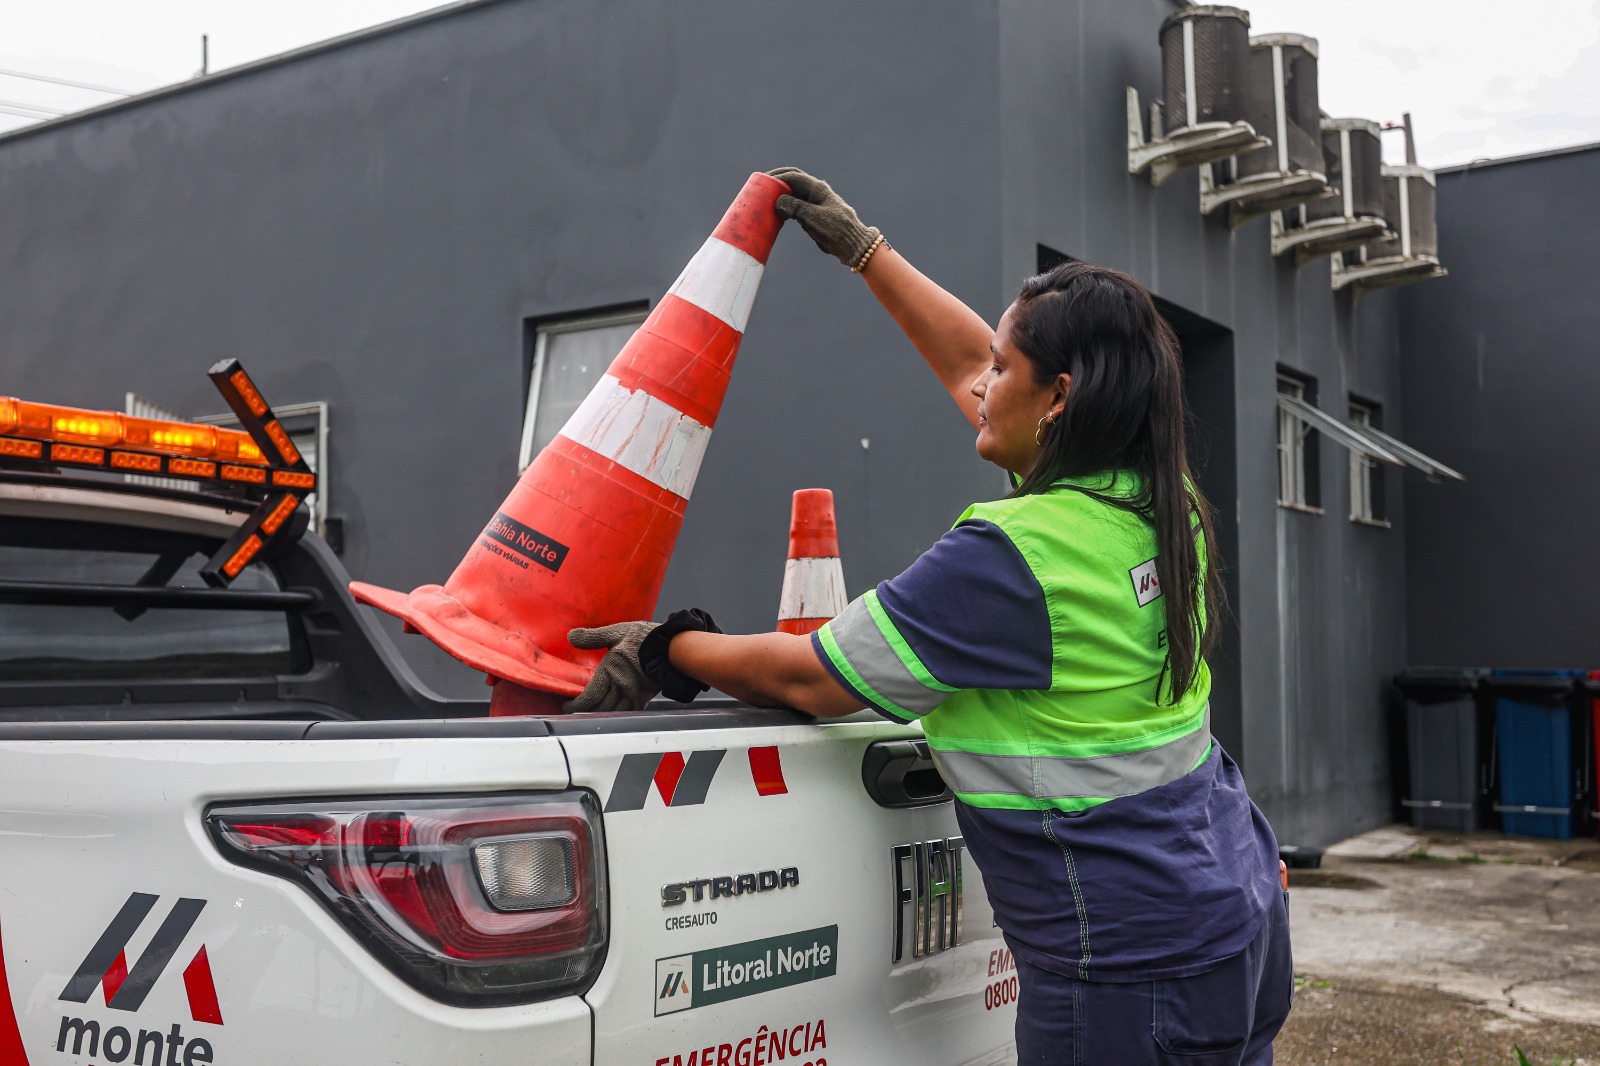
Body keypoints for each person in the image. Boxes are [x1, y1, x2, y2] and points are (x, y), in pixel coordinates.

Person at [565, 167, 1293, 1065]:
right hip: (1236, 908)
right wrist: (865, 252)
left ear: (1059, 398)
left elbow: (816, 679)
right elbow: (966, 365)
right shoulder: (1157, 496)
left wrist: (670, 647)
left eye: (1005, 369)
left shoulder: (1014, 560)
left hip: (1130, 971)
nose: (983, 384)